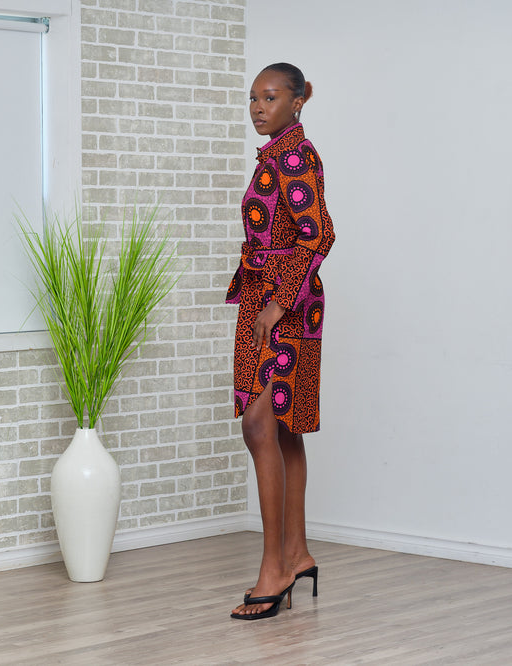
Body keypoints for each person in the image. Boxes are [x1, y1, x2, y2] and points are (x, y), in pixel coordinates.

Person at [226, 62, 335, 620]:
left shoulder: (296, 156)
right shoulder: (273, 156)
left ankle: (274, 568)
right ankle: (297, 554)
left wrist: (278, 302)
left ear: (298, 102)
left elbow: (320, 234)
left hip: (284, 305)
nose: (258, 108)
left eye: (269, 98)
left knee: (259, 424)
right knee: (282, 430)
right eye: (253, 98)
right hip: (263, 298)